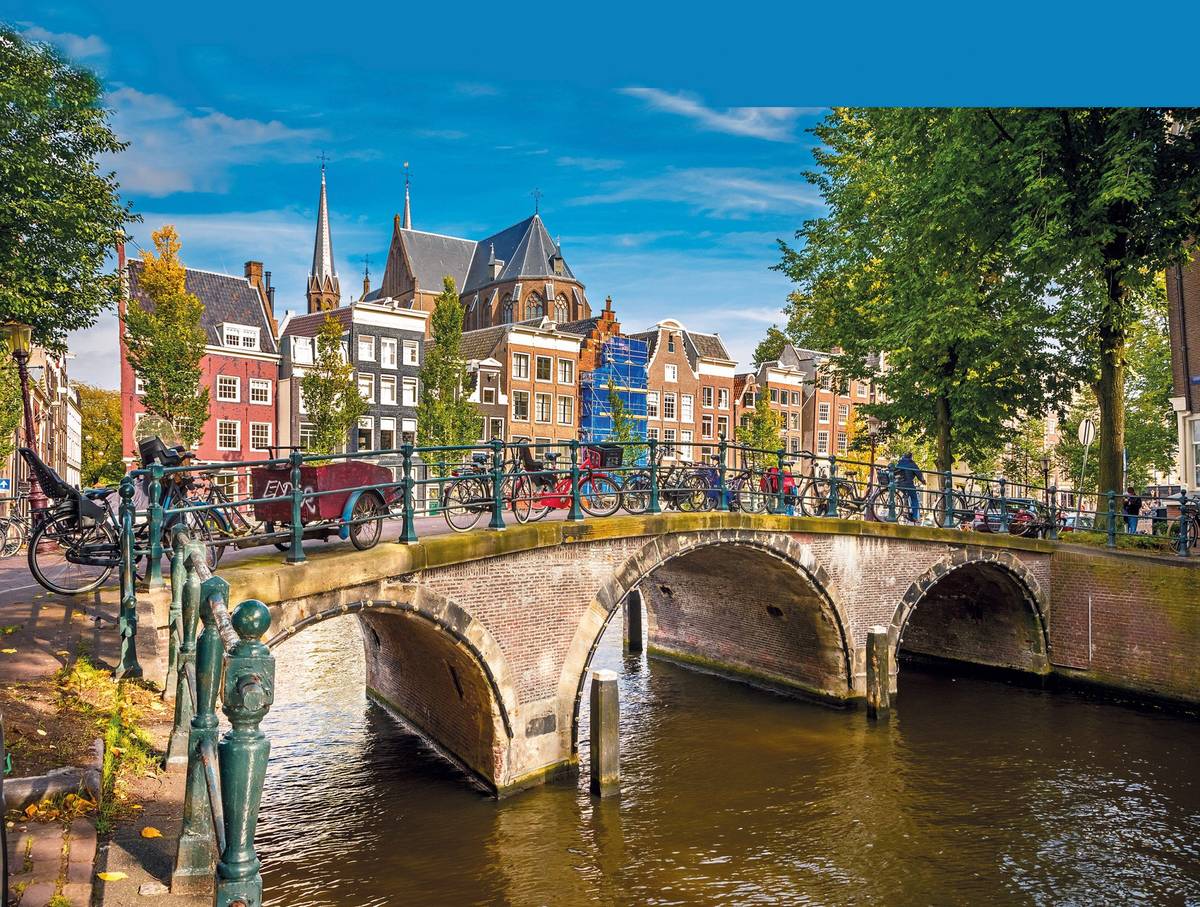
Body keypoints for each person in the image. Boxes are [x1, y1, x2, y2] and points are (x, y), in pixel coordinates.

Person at [895, 451, 925, 523]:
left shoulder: (900, 462)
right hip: (908, 484)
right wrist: (923, 481)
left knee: (905, 494)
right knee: (914, 498)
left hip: (899, 483)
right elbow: (919, 474)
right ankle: (914, 516)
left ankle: (904, 507)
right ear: (911, 457)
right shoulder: (912, 464)